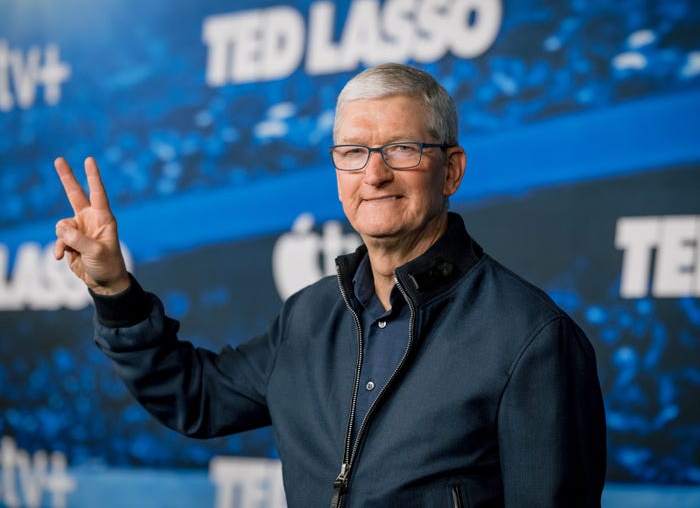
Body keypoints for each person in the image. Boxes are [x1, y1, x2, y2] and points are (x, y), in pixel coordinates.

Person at [54, 62, 606, 507]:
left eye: (402, 149)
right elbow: (194, 399)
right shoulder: (308, 317)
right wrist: (113, 287)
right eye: (353, 152)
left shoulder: (532, 339)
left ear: (452, 170)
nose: (374, 174)